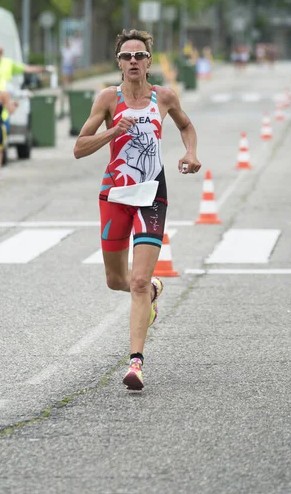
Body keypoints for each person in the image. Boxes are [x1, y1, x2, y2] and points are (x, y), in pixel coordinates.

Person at [73, 29, 201, 390]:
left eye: (140, 56)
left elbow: (187, 126)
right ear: (118, 62)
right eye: (127, 56)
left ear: (148, 61)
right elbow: (80, 147)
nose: (133, 61)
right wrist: (113, 131)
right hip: (115, 195)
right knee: (117, 281)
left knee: (139, 280)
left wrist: (190, 153)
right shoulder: (107, 100)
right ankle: (151, 291)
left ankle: (135, 364)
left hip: (152, 196)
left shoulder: (164, 96)